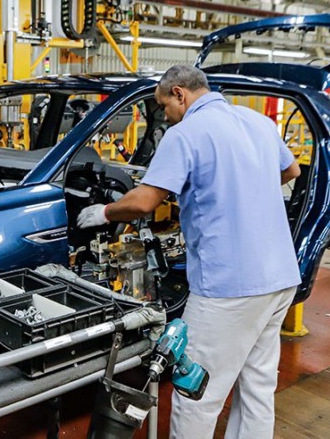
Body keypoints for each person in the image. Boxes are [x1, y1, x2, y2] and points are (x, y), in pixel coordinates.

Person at [77, 65, 302, 439]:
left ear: (180, 93)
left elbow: (145, 201)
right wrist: (240, 189)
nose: (163, 115)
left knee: (196, 389)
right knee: (258, 386)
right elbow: (291, 169)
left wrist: (103, 212)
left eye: (163, 105)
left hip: (229, 287)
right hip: (279, 277)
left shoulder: (187, 134)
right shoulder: (258, 122)